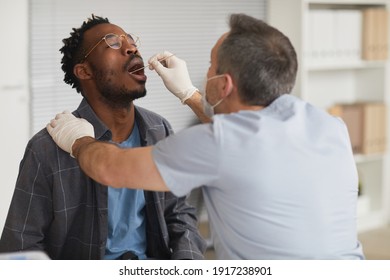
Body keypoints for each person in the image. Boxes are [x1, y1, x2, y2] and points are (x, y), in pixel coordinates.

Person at [46, 13, 365, 260]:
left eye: (211, 66)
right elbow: (243, 130)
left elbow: (109, 169)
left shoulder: (214, 143)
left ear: (224, 85)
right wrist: (189, 95)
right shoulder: (330, 126)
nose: (205, 71)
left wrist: (78, 140)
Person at [0, 14, 206, 260]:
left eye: (130, 40)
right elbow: (20, 247)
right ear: (84, 71)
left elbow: (179, 214)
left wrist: (187, 267)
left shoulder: (158, 129)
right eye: (113, 43)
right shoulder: (46, 149)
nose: (131, 47)